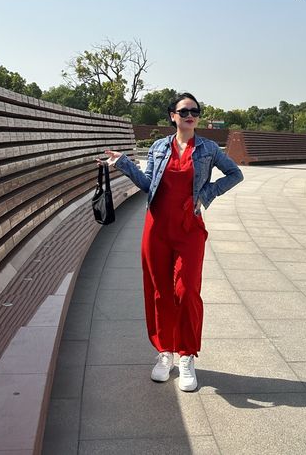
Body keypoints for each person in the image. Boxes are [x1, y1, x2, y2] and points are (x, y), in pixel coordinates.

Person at [100, 92, 243, 392]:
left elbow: (235, 173)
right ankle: (165, 353)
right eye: (184, 111)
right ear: (172, 116)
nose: (190, 115)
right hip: (157, 228)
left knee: (187, 290)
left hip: (189, 228)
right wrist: (123, 164)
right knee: (160, 292)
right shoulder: (158, 147)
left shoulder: (208, 149)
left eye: (195, 111)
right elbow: (146, 183)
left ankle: (188, 355)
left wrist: (206, 195)